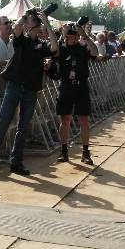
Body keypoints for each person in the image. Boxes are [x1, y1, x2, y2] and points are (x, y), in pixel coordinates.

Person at [0, 9, 58, 176]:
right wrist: (25, 16)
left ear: (36, 26)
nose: (27, 23)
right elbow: (16, 28)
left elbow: (54, 47)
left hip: (30, 90)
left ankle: (16, 162)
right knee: (3, 124)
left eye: (30, 21)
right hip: (14, 87)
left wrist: (46, 22)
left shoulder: (41, 45)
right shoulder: (21, 40)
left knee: (23, 127)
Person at [54, 23, 99, 164]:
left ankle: (85, 152)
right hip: (66, 86)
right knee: (65, 119)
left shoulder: (82, 48)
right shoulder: (62, 48)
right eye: (70, 34)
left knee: (84, 120)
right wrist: (62, 34)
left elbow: (95, 52)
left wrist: (85, 34)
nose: (72, 36)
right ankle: (64, 150)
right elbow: (53, 51)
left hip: (81, 86)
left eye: (75, 34)